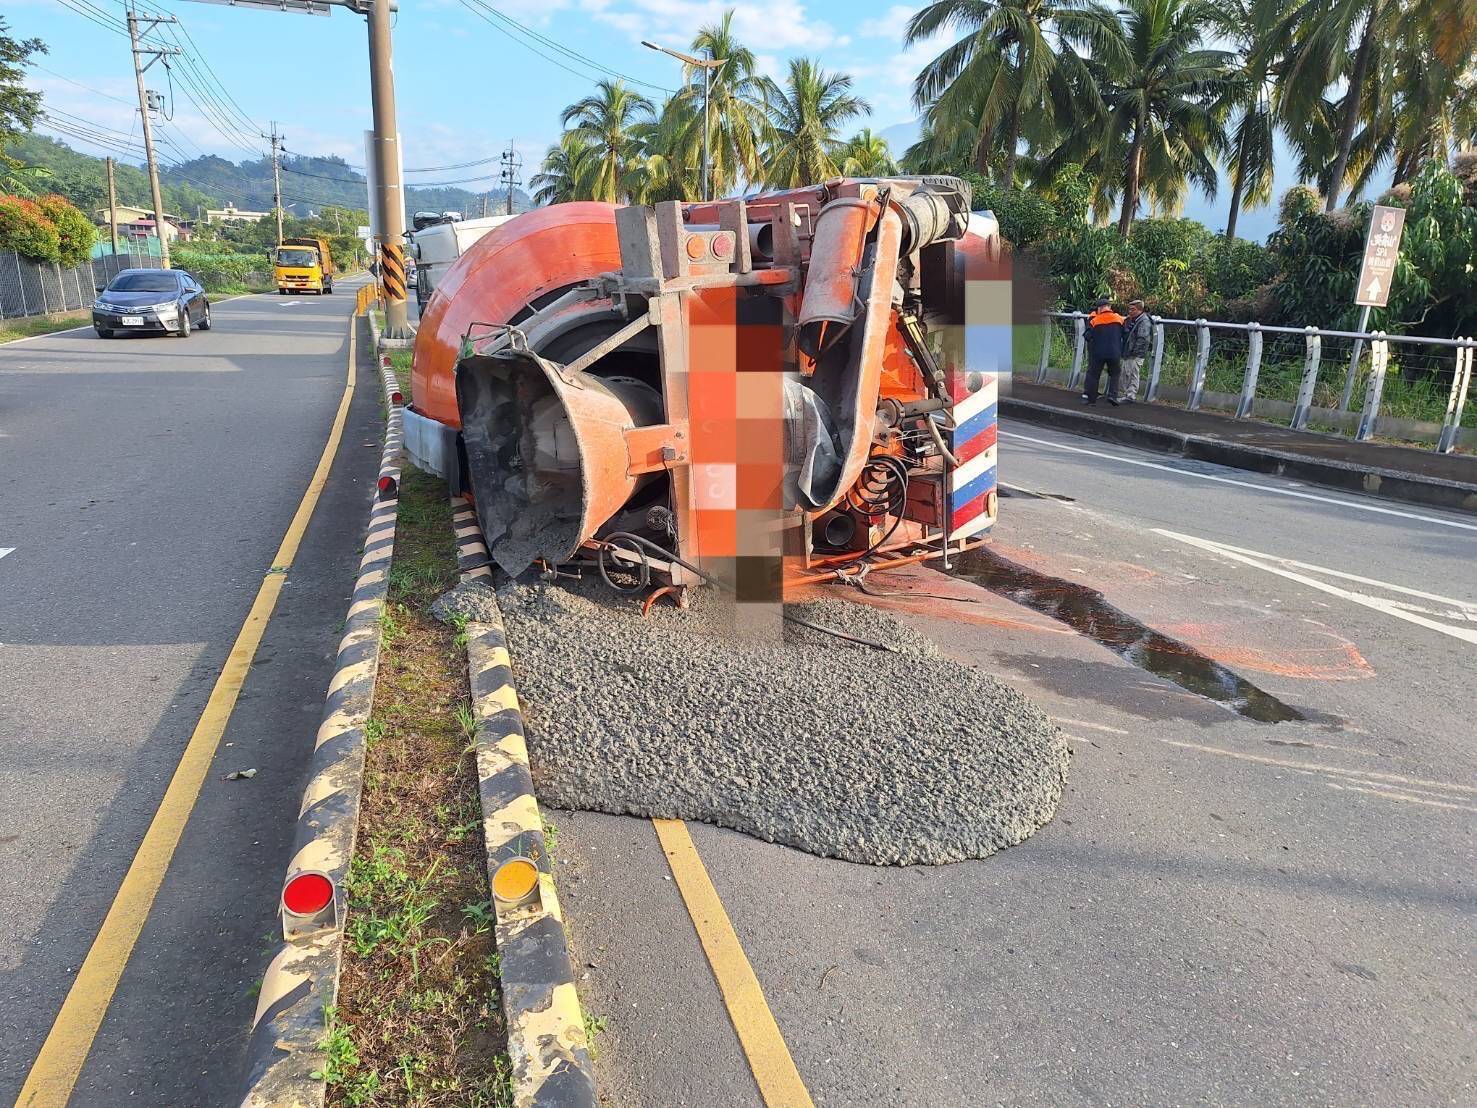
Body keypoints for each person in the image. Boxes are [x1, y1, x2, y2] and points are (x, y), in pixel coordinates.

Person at [1083, 297, 1125, 405]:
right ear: (1109, 307)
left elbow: (1087, 336)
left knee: (1094, 375)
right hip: (1114, 352)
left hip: (1098, 352)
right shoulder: (1119, 318)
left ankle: (1091, 400)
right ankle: (1113, 396)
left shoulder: (1095, 320)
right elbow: (1125, 332)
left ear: (1099, 308)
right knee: (1115, 374)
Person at [1121, 299, 1152, 402]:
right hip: (1128, 351)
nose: (1130, 311)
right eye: (1129, 309)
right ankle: (1127, 394)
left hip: (1135, 353)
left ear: (1140, 310)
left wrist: (1135, 352)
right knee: (1126, 373)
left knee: (1133, 373)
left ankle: (1131, 395)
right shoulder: (1132, 320)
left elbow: (1142, 338)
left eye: (1132, 309)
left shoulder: (1144, 321)